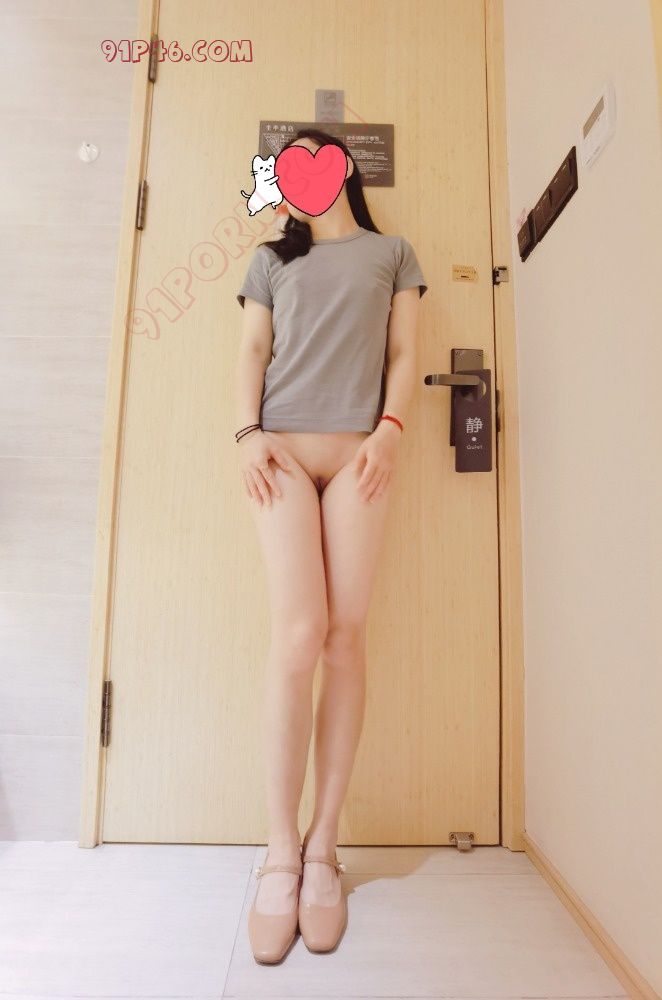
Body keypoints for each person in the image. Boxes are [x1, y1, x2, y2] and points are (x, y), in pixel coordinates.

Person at [235, 127, 428, 964]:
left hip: (360, 457)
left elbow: (406, 352)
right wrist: (246, 433)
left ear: (341, 169)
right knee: (298, 634)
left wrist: (390, 430)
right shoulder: (270, 260)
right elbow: (252, 349)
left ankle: (323, 848)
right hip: (278, 453)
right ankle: (279, 851)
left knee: (346, 638)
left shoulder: (393, 253)